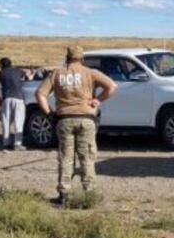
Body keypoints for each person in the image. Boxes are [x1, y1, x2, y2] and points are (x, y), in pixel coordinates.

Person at [35, 45, 117, 204]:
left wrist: (49, 113)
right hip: (86, 118)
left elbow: (40, 93)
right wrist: (98, 100)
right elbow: (112, 86)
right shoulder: (90, 73)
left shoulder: (57, 73)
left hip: (64, 119)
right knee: (87, 157)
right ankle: (89, 193)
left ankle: (65, 193)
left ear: (67, 57)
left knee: (66, 157)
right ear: (82, 58)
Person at [0, 57, 26, 150]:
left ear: (1, 65)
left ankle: (6, 142)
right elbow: (24, 78)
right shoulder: (19, 71)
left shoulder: (0, 74)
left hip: (6, 99)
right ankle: (17, 143)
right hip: (19, 98)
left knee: (6, 121)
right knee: (18, 121)